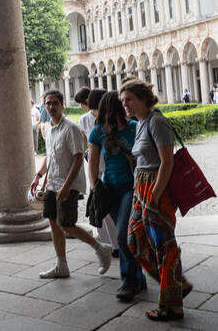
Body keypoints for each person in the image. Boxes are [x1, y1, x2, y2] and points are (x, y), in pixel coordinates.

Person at [120, 79, 192, 321]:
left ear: (142, 98)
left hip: (155, 190)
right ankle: (176, 282)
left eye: (129, 99)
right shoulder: (140, 122)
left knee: (164, 246)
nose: (125, 105)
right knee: (134, 241)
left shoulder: (157, 122)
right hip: (141, 188)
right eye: (123, 101)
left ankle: (171, 306)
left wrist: (155, 195)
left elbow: (167, 162)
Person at [30, 91, 113, 279]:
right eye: (48, 104)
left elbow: (77, 158)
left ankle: (101, 248)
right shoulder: (49, 129)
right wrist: (38, 176)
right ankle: (62, 265)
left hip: (69, 185)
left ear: (62, 105)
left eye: (55, 103)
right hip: (52, 184)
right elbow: (49, 157)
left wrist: (67, 186)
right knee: (53, 222)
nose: (51, 107)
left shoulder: (71, 128)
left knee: (66, 224)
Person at [87, 91, 146, 301]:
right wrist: (95, 189)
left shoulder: (134, 128)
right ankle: (138, 277)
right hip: (110, 190)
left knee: (122, 234)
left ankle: (128, 282)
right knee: (127, 236)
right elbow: (92, 163)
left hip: (131, 187)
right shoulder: (97, 132)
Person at [85, 89, 119, 256]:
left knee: (112, 211)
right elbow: (90, 151)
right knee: (102, 210)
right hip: (99, 171)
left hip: (113, 172)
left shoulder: (116, 121)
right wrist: (93, 184)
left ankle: (117, 244)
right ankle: (108, 243)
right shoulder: (88, 121)